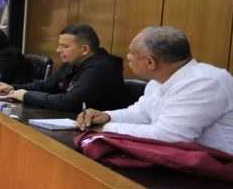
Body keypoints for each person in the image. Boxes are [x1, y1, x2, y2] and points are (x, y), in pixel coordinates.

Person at [77, 26, 233, 154]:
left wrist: (105, 128)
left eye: (132, 53)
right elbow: (141, 114)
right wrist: (106, 116)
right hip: (182, 162)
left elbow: (169, 137)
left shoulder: (204, 82)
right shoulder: (158, 81)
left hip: (218, 171)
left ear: (150, 62)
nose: (128, 57)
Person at [0, 23, 129, 112]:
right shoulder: (73, 62)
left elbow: (70, 102)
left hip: (96, 130)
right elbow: (45, 86)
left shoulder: (102, 68)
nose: (58, 50)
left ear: (85, 49)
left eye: (65, 46)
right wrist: (13, 88)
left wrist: (26, 95)